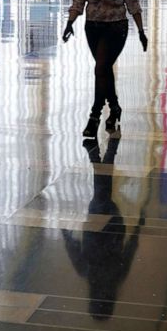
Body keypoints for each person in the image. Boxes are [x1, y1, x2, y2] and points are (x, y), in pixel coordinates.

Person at [63, 0, 147, 137]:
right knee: (104, 70)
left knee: (100, 68)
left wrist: (142, 31)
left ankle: (95, 116)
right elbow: (78, 0)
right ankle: (115, 107)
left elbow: (133, 4)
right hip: (92, 28)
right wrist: (69, 23)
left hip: (115, 29)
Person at [62, 137, 144, 321]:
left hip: (114, 228)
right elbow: (73, 249)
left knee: (102, 190)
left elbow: (130, 251)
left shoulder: (117, 277)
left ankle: (103, 152)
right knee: (101, 191)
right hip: (95, 227)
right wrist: (65, 233)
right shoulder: (86, 272)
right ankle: (97, 154)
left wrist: (137, 229)